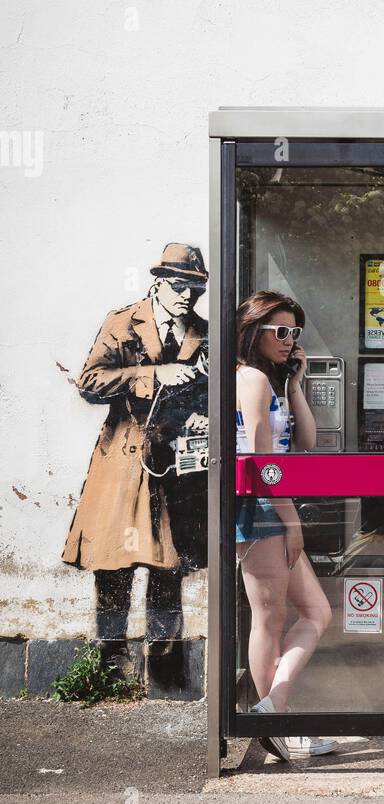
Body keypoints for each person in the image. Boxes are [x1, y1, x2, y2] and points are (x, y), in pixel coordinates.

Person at [62, 244, 210, 642]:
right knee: (114, 564)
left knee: (170, 567)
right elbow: (90, 382)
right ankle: (109, 662)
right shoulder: (123, 322)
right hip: (125, 460)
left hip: (175, 466)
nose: (187, 297)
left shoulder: (204, 333)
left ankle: (166, 667)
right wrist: (153, 374)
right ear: (159, 283)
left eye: (195, 289)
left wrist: (204, 413)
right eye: (179, 286)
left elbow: (215, 390)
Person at [235, 291, 336, 761]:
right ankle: (275, 726)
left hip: (272, 508)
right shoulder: (251, 378)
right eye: (279, 330)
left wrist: (296, 381)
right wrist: (292, 522)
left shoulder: (271, 381)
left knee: (316, 613)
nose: (288, 339)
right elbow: (259, 462)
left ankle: (272, 713)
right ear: (254, 331)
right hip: (260, 512)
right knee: (270, 620)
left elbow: (309, 441)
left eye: (294, 332)